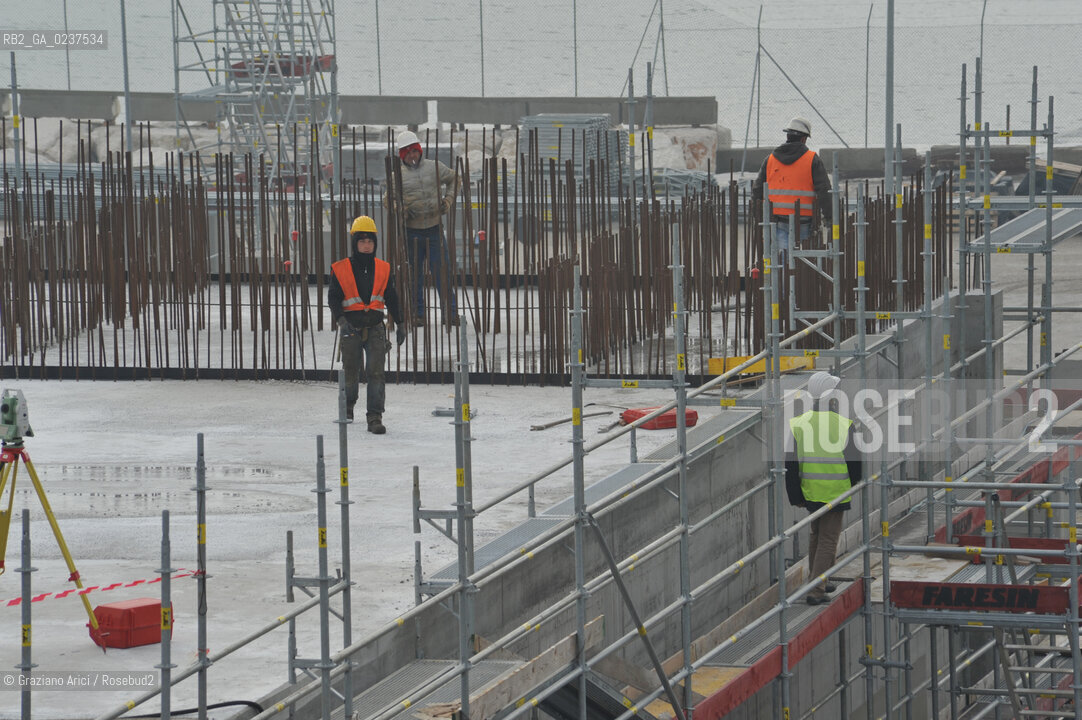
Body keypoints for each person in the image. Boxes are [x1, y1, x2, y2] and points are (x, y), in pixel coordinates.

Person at [785, 371, 862, 605]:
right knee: (828, 540)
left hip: (810, 491)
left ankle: (820, 579)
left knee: (817, 536)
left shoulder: (799, 424)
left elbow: (790, 464)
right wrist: (853, 484)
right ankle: (816, 590)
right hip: (835, 492)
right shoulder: (843, 424)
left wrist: (795, 495)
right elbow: (855, 465)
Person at [328, 215, 406, 433]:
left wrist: (400, 323)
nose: (366, 245)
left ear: (375, 243)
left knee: (376, 373)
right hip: (350, 328)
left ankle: (374, 417)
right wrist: (341, 320)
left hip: (375, 328)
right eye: (362, 241)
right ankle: (348, 408)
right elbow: (333, 297)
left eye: (370, 241)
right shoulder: (340, 268)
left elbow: (391, 297)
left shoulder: (383, 268)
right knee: (351, 372)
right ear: (355, 243)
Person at [388, 130, 460, 327]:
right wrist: (399, 208)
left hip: (434, 228)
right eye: (408, 152)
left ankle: (450, 313)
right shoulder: (397, 176)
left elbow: (455, 179)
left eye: (415, 151)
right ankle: (418, 314)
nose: (413, 156)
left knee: (442, 272)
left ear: (420, 150)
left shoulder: (434, 168)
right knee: (414, 275)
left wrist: (449, 199)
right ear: (402, 155)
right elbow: (388, 199)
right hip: (411, 231)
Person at [752, 117, 833, 265]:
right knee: (801, 259)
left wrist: (757, 217)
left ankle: (784, 286)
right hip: (803, 220)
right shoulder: (812, 159)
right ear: (803, 139)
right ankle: (796, 285)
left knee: (781, 260)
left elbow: (757, 191)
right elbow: (824, 191)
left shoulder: (770, 159)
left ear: (787, 136)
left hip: (776, 219)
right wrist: (830, 218)